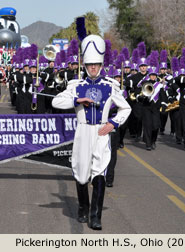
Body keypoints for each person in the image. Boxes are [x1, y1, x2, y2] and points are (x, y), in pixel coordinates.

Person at [52, 34, 131, 230]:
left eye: (96, 64)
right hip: (82, 132)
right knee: (80, 172)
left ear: (101, 64)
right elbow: (55, 101)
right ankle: (83, 207)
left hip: (101, 133)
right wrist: (76, 101)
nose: (93, 68)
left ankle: (95, 216)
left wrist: (113, 123)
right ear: (85, 66)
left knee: (100, 172)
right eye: (90, 65)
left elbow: (126, 108)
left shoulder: (110, 86)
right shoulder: (76, 86)